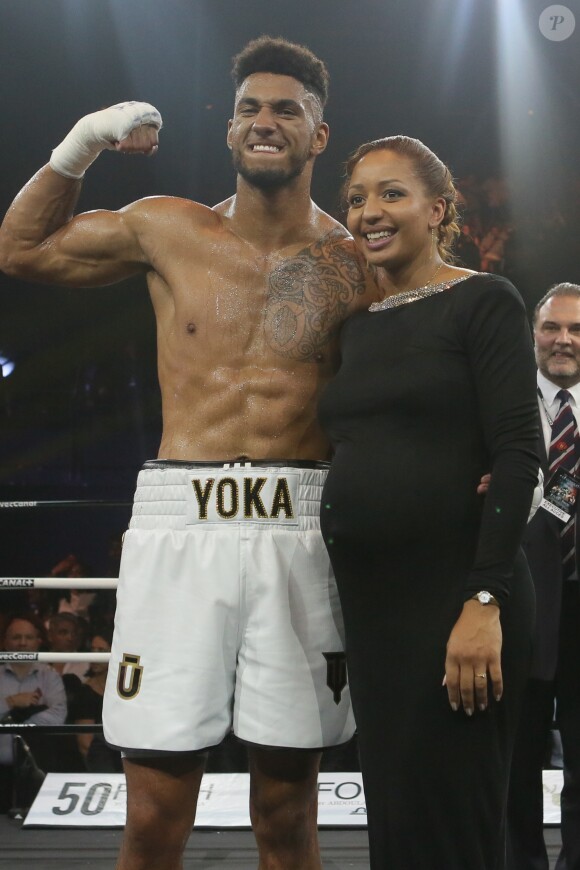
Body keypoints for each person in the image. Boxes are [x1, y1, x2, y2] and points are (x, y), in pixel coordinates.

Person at [0, 37, 378, 869]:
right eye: (249, 108)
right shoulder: (168, 228)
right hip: (182, 520)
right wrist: (83, 143)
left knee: (287, 816)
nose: (264, 122)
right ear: (230, 129)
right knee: (153, 815)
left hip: (300, 527)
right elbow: (20, 248)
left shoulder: (356, 265)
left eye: (287, 109)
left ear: (320, 135)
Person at [318, 135, 539, 869]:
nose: (368, 212)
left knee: (457, 822)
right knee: (398, 824)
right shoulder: (354, 327)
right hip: (375, 609)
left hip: (459, 597)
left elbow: (517, 450)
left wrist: (484, 598)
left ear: (437, 209)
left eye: (390, 194)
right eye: (355, 199)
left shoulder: (484, 299)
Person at [507, 283, 580, 870]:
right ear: (533, 334)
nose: (564, 340)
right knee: (516, 754)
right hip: (518, 599)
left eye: (576, 330)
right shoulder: (499, 403)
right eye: (552, 328)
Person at [0, 614, 67, 811]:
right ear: (4, 641)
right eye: (16, 637)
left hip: (36, 771)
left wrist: (16, 723)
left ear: (38, 642)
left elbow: (58, 717)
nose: (22, 643)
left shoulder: (49, 676)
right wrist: (10, 702)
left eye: (28, 638)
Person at [72, 625, 122, 772]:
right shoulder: (85, 693)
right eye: (92, 650)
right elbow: (85, 743)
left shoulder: (124, 689)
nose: (95, 656)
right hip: (100, 766)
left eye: (101, 651)